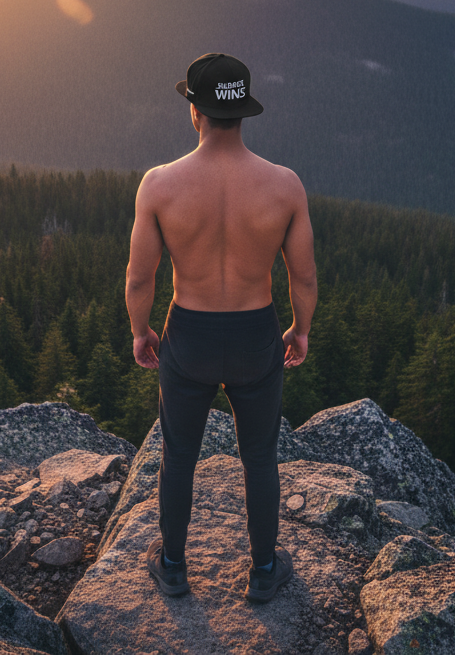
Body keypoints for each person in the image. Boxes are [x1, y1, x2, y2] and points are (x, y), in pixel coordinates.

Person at [125, 52, 317, 603]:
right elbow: (303, 277)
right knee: (259, 457)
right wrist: (301, 331)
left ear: (195, 111)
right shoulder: (285, 186)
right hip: (257, 335)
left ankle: (173, 566)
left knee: (179, 455)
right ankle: (262, 571)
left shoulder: (159, 186)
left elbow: (141, 278)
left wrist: (142, 333)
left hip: (190, 334)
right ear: (243, 112)